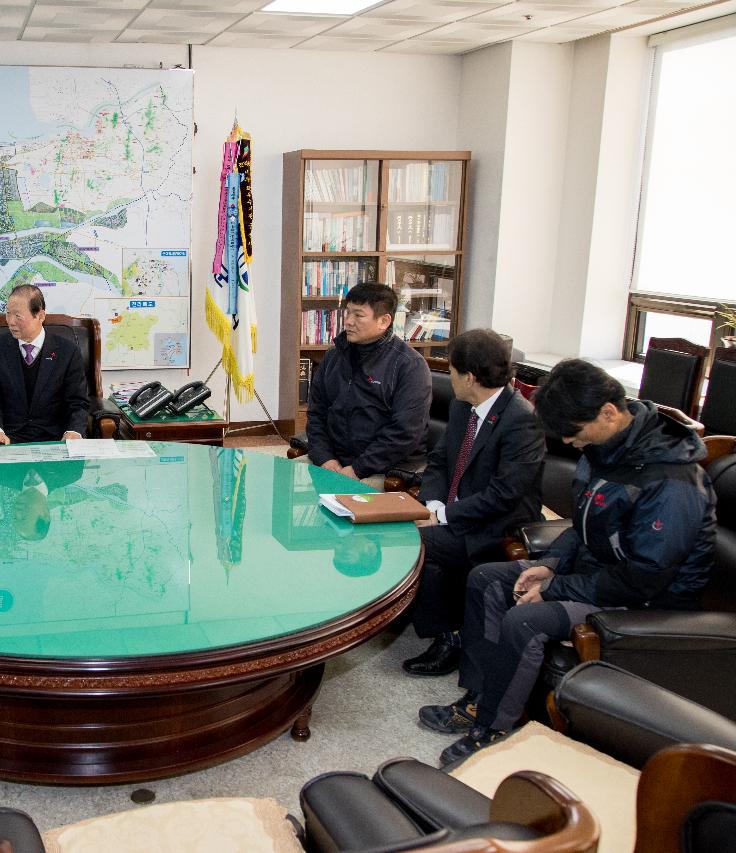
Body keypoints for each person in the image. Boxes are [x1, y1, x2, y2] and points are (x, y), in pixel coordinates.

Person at [419, 358, 716, 765]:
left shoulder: (672, 483)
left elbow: (643, 576)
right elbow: (586, 523)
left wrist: (555, 587)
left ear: (608, 413)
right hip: (596, 573)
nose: (573, 445)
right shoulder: (608, 448)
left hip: (644, 601)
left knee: (525, 619)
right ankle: (478, 697)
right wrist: (553, 563)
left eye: (574, 435)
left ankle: (494, 727)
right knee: (487, 579)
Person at [401, 329, 545, 677]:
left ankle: (451, 639)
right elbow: (439, 461)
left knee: (413, 542)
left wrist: (445, 515)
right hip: (457, 511)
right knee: (414, 539)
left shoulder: (521, 420)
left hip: (497, 524)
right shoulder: (463, 406)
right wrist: (431, 505)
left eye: (451, 370)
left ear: (469, 377)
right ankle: (447, 631)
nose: (448, 376)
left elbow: (504, 495)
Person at [303, 282, 431, 488]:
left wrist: (357, 469)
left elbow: (405, 432)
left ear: (384, 321)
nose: (348, 322)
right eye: (348, 313)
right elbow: (317, 414)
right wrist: (325, 458)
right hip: (334, 461)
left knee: (340, 500)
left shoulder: (409, 366)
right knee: (286, 482)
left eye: (358, 315)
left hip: (382, 469)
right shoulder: (333, 356)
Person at [0, 284, 90, 447]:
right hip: (9, 436)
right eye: (8, 314)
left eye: (18, 316)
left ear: (40, 315)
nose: (10, 322)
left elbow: (77, 402)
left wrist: (73, 431)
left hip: (55, 437)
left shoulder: (68, 351)